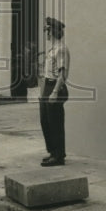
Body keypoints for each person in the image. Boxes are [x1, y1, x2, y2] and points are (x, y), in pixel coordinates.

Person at [39, 16, 69, 166]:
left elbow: (62, 74)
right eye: (47, 30)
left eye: (49, 30)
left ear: (55, 32)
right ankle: (52, 152)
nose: (47, 33)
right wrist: (43, 93)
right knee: (45, 121)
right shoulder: (52, 49)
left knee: (55, 122)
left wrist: (55, 92)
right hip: (48, 86)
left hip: (56, 87)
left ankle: (59, 156)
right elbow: (46, 73)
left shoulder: (61, 49)